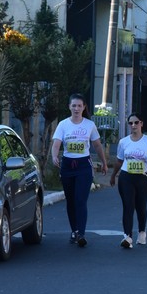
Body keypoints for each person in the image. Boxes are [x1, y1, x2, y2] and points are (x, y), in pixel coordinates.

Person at [51, 94, 109, 247]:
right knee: (71, 200)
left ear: (84, 107)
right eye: (74, 106)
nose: (76, 109)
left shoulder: (89, 125)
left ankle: (81, 234)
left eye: (79, 106)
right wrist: (54, 156)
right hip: (68, 166)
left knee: (80, 200)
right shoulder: (63, 125)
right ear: (69, 107)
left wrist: (104, 162)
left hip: (84, 166)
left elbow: (97, 145)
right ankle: (74, 230)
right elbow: (56, 143)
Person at [110, 113, 147, 249]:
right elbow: (119, 160)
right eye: (130, 123)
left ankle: (142, 232)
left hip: (143, 177)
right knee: (128, 206)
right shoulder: (124, 142)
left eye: (136, 122)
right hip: (126, 177)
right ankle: (127, 236)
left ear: (141, 124)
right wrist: (113, 175)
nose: (133, 126)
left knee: (141, 206)